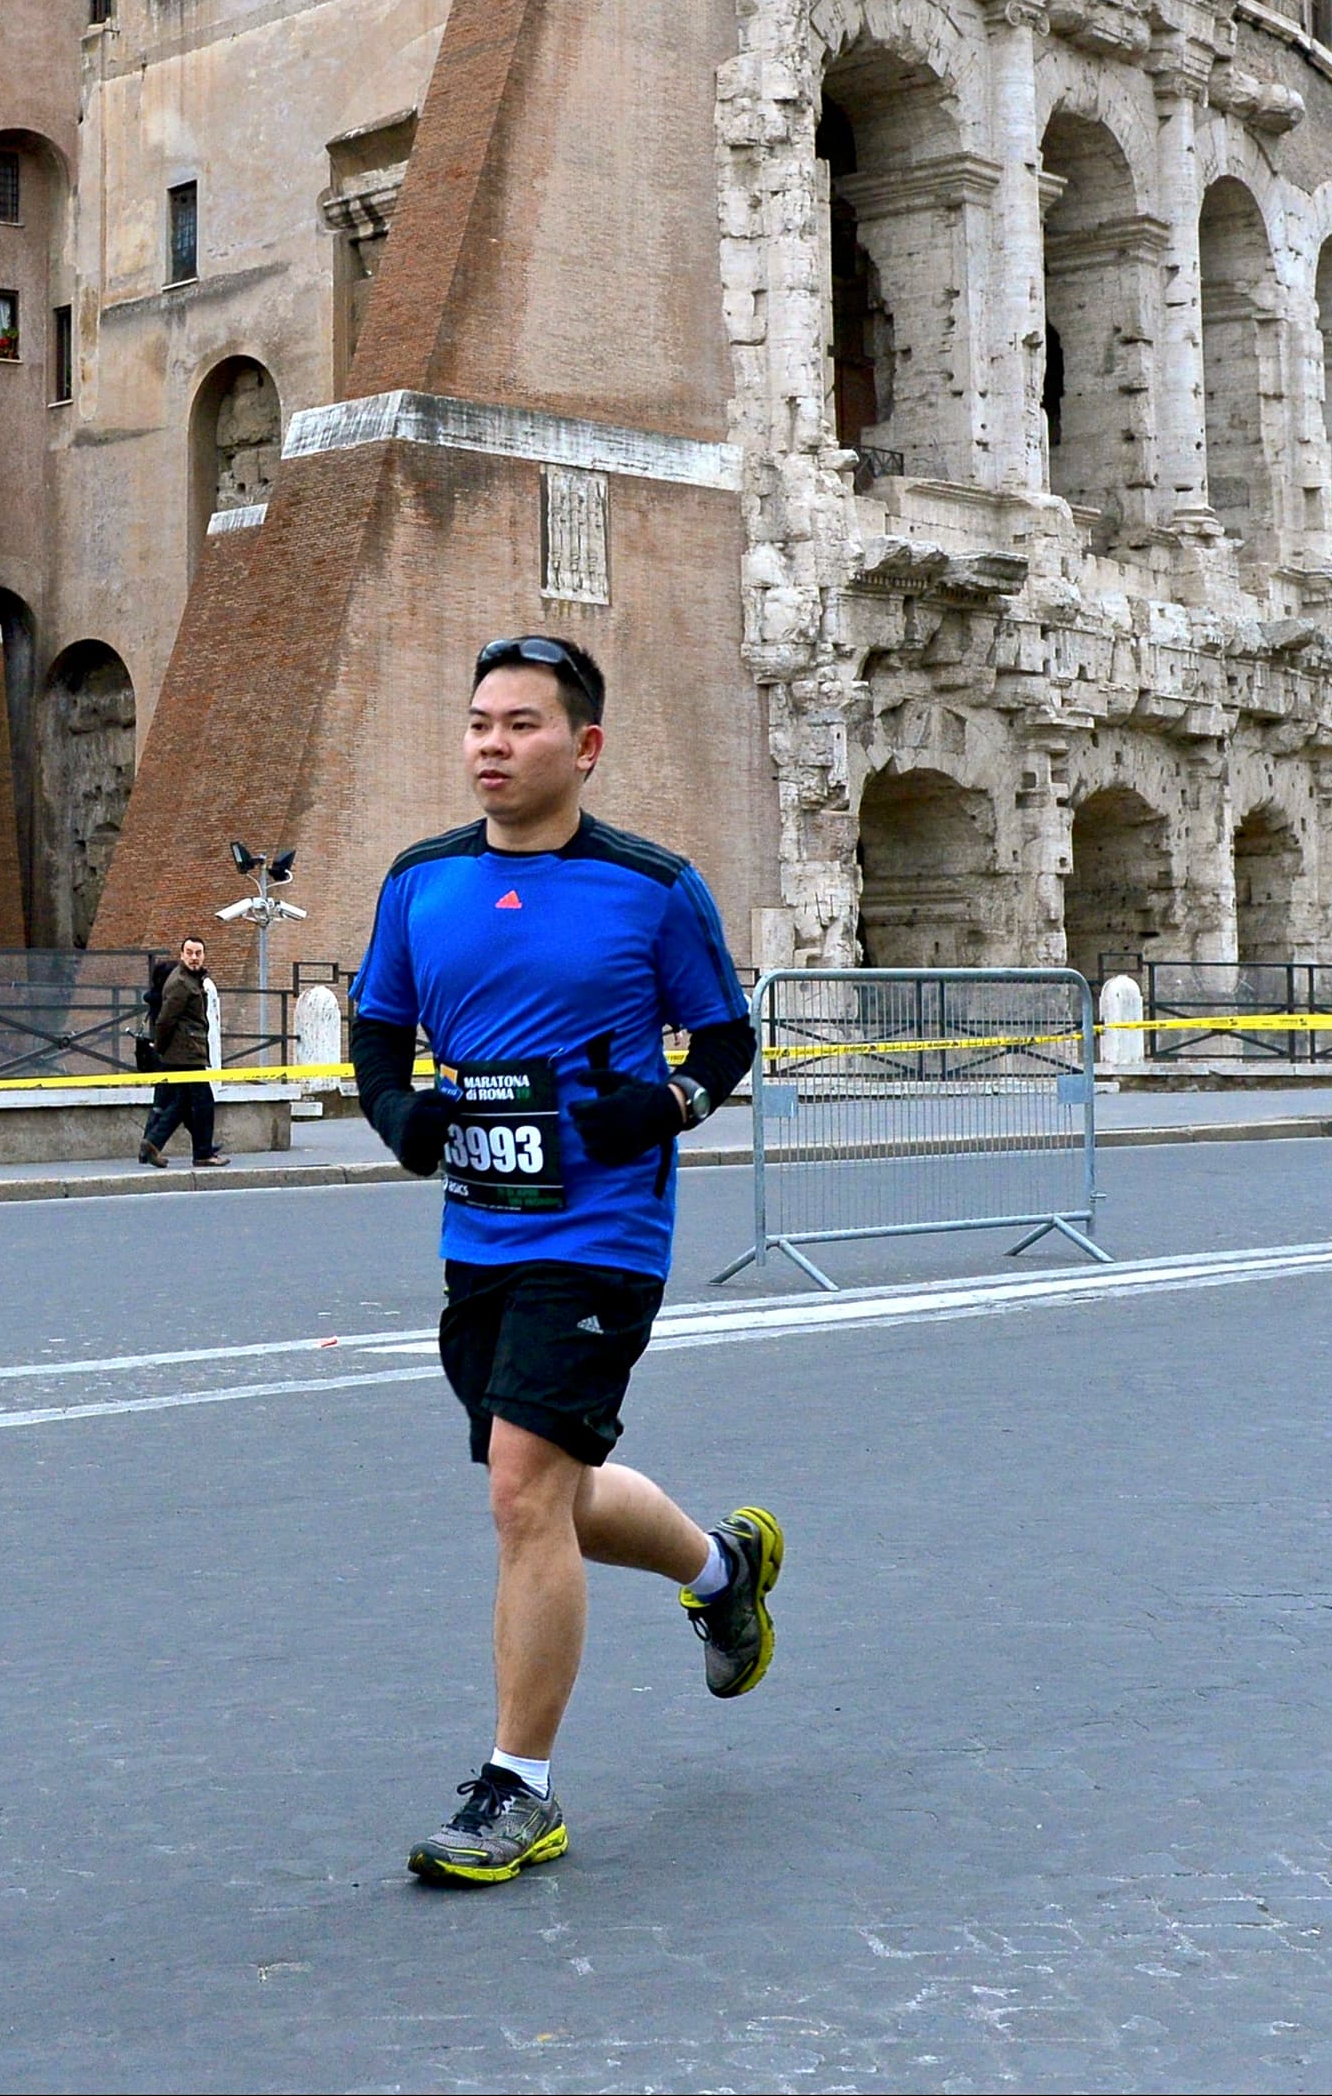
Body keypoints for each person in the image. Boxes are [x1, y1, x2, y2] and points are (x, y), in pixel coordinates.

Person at [347, 632, 775, 1886]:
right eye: (479, 721)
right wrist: (396, 1114)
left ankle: (517, 1788)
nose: (492, 743)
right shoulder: (420, 880)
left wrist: (667, 1107)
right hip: (479, 1226)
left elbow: (722, 1038)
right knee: (559, 1490)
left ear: (582, 747)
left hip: (602, 1234)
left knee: (523, 1489)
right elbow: (378, 1028)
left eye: (521, 723)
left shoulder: (652, 887)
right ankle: (722, 1566)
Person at [134, 934, 227, 1169]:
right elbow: (165, 1020)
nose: (194, 958)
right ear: (181, 955)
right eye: (189, 953)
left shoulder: (191, 980)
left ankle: (154, 1142)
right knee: (203, 1102)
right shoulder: (181, 984)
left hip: (186, 1051)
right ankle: (202, 1154)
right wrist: (161, 1049)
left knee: (182, 1103)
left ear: (204, 956)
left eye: (198, 953)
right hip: (184, 1053)